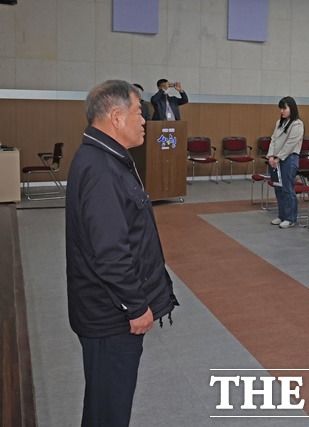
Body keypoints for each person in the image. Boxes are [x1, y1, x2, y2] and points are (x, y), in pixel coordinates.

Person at [66, 80, 178, 426]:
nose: (145, 119)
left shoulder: (108, 158)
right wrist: (136, 305)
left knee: (106, 404)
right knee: (108, 411)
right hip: (111, 316)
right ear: (116, 117)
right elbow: (111, 252)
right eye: (138, 112)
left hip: (108, 310)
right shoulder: (101, 168)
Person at [267, 96, 304, 229]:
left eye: (284, 108)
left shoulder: (297, 124)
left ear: (291, 108)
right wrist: (271, 156)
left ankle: (290, 218)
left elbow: (290, 144)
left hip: (289, 159)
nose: (282, 111)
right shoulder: (279, 123)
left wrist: (279, 158)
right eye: (280, 109)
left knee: (287, 189)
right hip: (275, 159)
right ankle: (281, 215)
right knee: (278, 188)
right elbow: (273, 139)